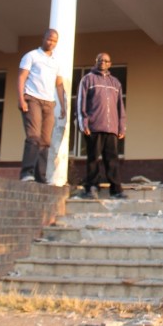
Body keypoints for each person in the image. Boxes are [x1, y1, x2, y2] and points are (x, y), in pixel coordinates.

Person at [18, 28, 66, 183]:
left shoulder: (56, 62)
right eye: (49, 39)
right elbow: (22, 77)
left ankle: (40, 177)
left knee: (45, 141)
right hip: (32, 99)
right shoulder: (31, 56)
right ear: (43, 38)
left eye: (55, 41)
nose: (51, 43)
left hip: (49, 103)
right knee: (33, 137)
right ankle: (27, 173)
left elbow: (59, 85)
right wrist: (21, 99)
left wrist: (63, 106)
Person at [76, 52, 127, 199]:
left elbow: (120, 106)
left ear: (110, 64)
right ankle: (91, 188)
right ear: (96, 61)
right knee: (93, 159)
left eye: (106, 61)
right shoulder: (88, 79)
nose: (103, 62)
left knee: (112, 160)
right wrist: (84, 124)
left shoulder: (115, 83)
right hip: (94, 127)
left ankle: (116, 190)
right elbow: (80, 103)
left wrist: (121, 126)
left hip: (111, 129)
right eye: (100, 60)